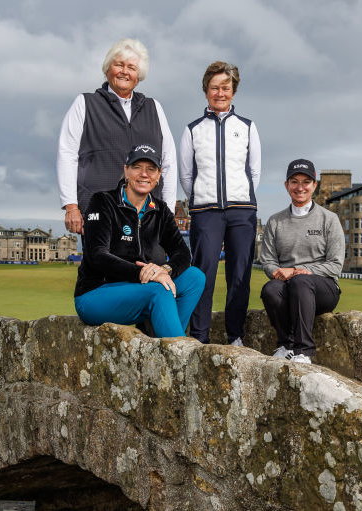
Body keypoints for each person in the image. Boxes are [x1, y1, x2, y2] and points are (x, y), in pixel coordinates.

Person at [74, 144, 205, 337]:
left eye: (151, 169)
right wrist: (144, 273)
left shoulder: (160, 210)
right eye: (137, 167)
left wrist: (165, 270)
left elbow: (182, 252)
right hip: (96, 293)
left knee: (195, 277)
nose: (144, 174)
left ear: (158, 175)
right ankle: (176, 349)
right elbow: (97, 255)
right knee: (159, 289)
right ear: (126, 170)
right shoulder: (102, 201)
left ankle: (160, 337)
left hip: (140, 288)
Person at [57, 38, 177, 234]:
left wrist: (169, 212)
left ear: (139, 76)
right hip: (99, 210)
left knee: (148, 256)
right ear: (107, 69)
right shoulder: (85, 103)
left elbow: (168, 160)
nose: (124, 71)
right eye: (119, 64)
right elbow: (67, 154)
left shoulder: (154, 108)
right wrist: (71, 206)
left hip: (147, 213)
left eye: (131, 67)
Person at [179, 61, 261, 345]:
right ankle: (199, 336)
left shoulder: (247, 127)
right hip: (206, 212)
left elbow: (254, 172)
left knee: (239, 275)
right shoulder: (193, 130)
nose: (220, 93)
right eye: (214, 88)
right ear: (206, 91)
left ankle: (235, 335)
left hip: (242, 211)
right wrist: (202, 198)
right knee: (203, 275)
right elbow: (186, 175)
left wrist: (240, 197)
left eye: (225, 87)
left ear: (233, 91)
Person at [259, 159, 345, 364]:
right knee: (270, 289)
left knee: (300, 281)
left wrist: (297, 270)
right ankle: (286, 345)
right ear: (286, 185)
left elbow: (335, 264)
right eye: (294, 182)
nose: (300, 187)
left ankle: (304, 351)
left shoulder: (329, 219)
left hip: (323, 289)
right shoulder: (275, 221)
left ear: (314, 185)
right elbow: (268, 260)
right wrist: (277, 272)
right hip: (288, 285)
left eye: (306, 182)